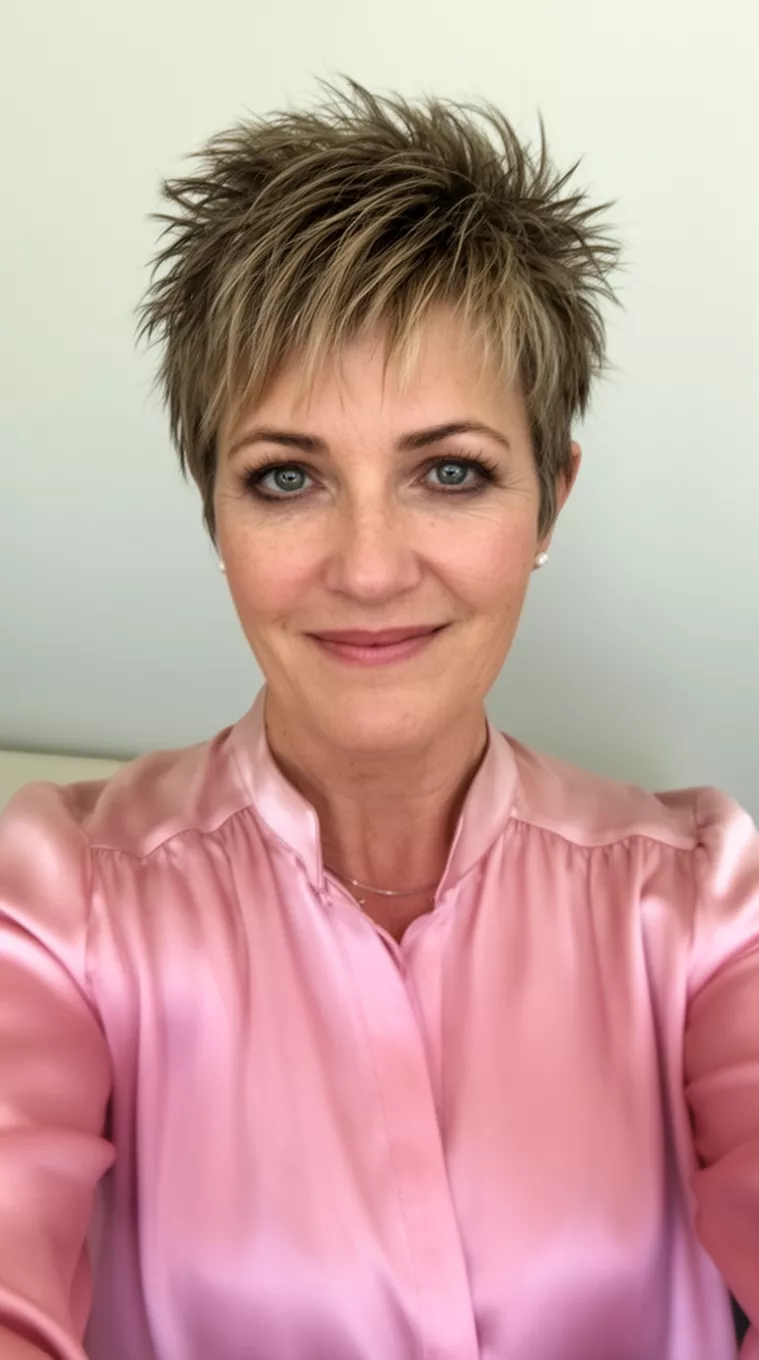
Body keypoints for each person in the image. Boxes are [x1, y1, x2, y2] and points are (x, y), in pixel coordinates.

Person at [0, 76, 757, 1360]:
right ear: (212, 508)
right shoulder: (62, 900)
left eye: (449, 472)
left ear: (550, 501)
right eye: (286, 477)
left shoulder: (698, 900)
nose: (366, 565)